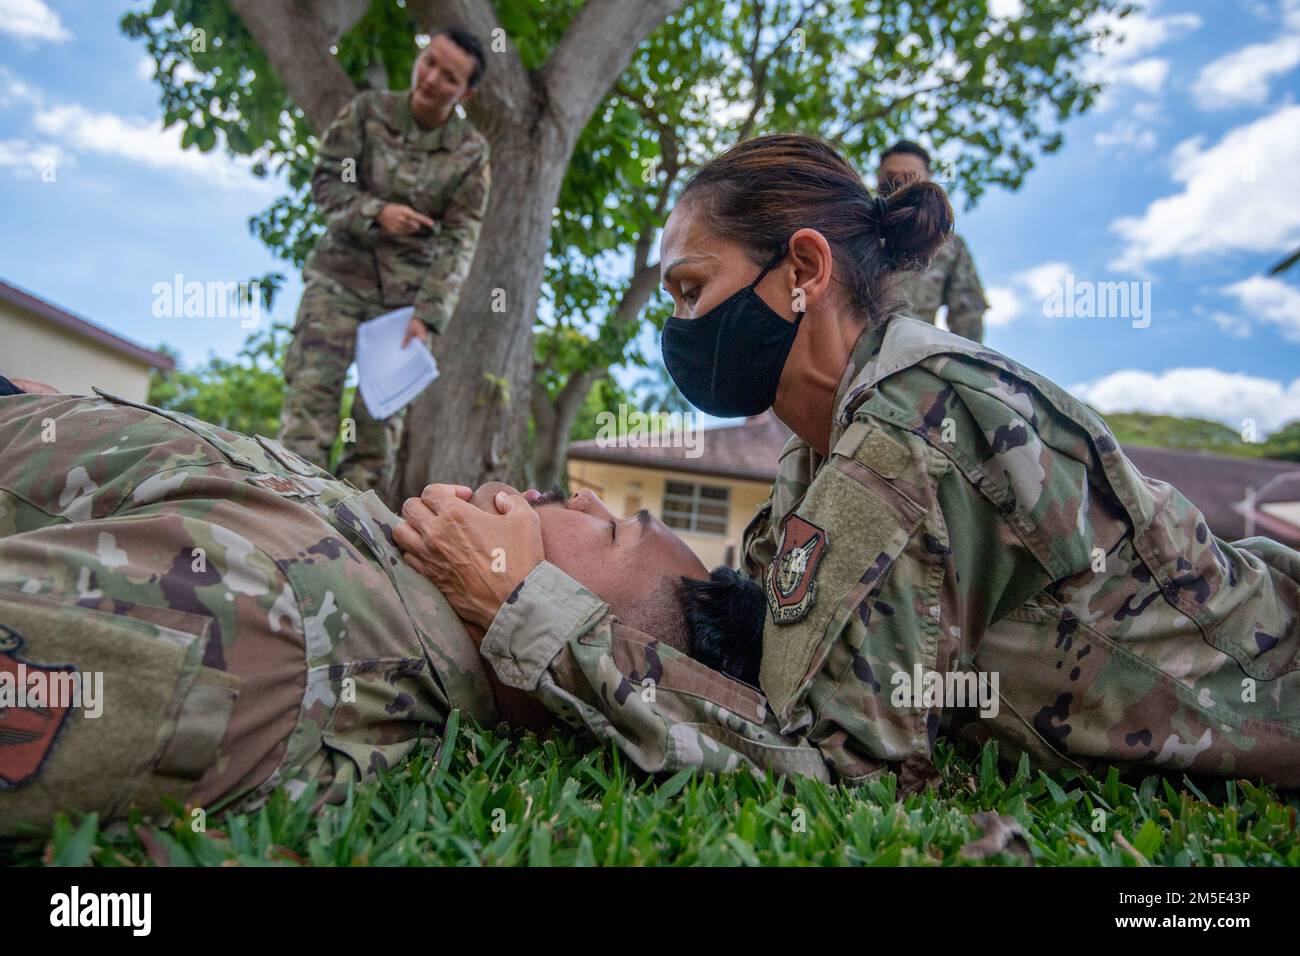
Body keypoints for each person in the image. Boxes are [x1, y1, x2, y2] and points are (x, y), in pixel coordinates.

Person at [397, 134, 1300, 791]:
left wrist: (528, 611)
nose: (678, 328)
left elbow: (845, 772)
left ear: (803, 269)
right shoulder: (817, 459)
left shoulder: (912, 427)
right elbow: (751, 669)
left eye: (691, 290)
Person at [0, 385, 710, 835]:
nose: (582, 498)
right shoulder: (385, 576)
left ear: (577, 635)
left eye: (615, 530)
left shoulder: (282, 629)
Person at [278, 26, 491, 493]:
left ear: (466, 92)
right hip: (337, 280)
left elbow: (461, 238)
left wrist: (428, 318)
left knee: (377, 433)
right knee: (307, 413)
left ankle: (347, 543)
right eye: (430, 62)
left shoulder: (471, 154)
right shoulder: (366, 112)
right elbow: (326, 183)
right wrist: (377, 213)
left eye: (449, 77)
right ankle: (285, 518)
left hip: (403, 305)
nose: (432, 78)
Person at [878, 140, 987, 342]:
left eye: (909, 178)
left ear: (927, 181)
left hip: (909, 359)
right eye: (891, 178)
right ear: (878, 179)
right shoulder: (852, 230)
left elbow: (968, 314)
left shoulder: (950, 246)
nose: (898, 185)